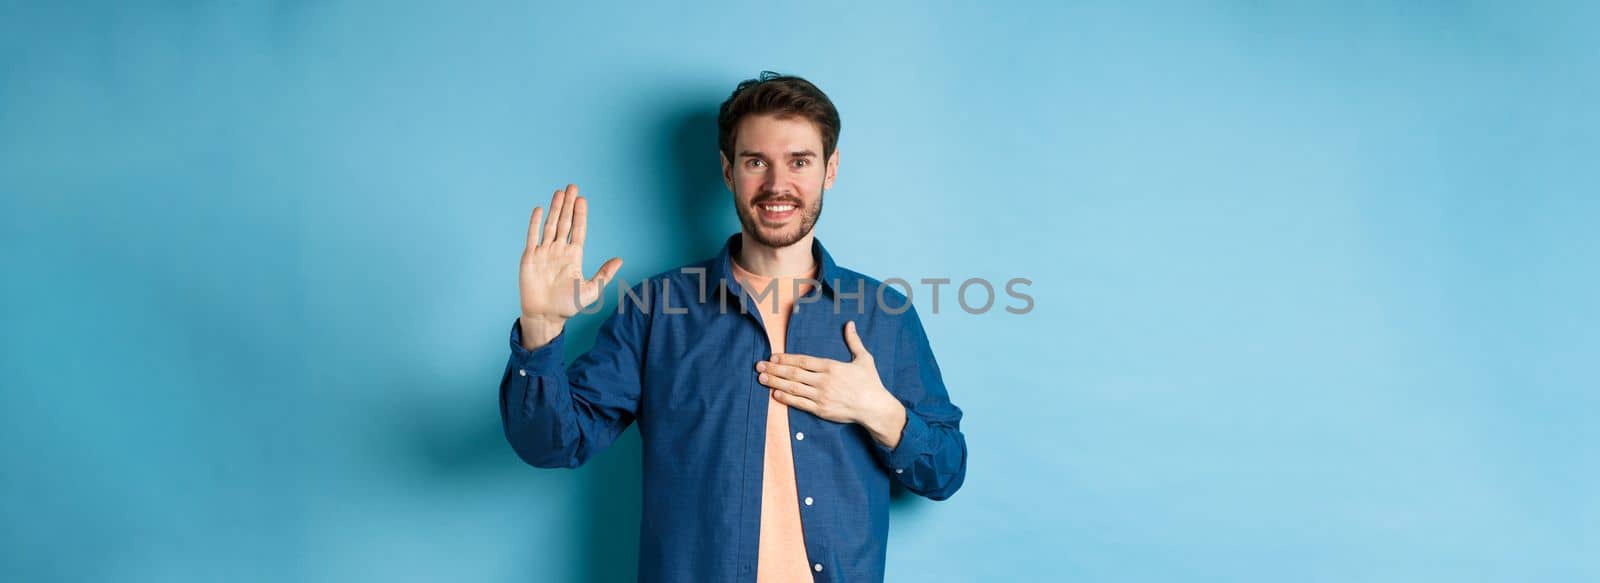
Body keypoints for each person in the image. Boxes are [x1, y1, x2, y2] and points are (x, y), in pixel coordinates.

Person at [500, 71, 967, 583]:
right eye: (755, 162)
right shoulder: (654, 309)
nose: (777, 185)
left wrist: (879, 411)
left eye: (800, 161)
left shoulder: (884, 314)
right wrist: (540, 329)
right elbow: (552, 444)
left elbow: (945, 471)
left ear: (830, 170)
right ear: (727, 171)